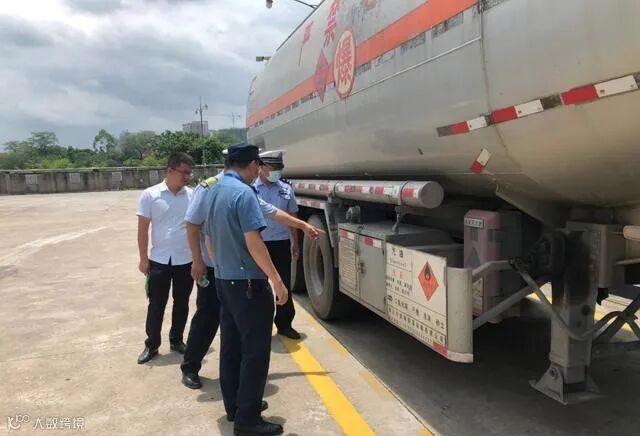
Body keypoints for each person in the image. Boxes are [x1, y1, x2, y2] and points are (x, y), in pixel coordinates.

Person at [180, 165, 321, 390]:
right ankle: (190, 366)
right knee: (207, 317)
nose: (257, 172)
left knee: (236, 330)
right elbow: (192, 224)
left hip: (237, 272)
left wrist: (301, 225)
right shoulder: (209, 188)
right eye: (254, 166)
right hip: (214, 268)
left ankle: (237, 384)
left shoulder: (244, 189)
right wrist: (197, 260)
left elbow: (270, 210)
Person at [206, 143, 287, 436]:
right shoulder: (244, 193)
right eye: (259, 166)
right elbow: (254, 243)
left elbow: (208, 239)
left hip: (224, 279)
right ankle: (248, 419)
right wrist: (276, 280)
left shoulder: (213, 190)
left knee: (231, 346)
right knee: (255, 351)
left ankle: (235, 406)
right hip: (248, 284)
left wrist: (221, 267)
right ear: (253, 165)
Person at [136, 152, 195, 364]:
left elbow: (198, 227)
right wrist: (143, 259)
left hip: (185, 260)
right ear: (169, 171)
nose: (187, 177)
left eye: (189, 173)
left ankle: (176, 340)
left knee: (182, 302)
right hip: (159, 260)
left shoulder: (192, 195)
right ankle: (152, 344)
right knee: (156, 304)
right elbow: (143, 230)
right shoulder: (150, 195)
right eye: (184, 172)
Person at [254, 151, 300, 339]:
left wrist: (295, 241)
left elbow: (292, 215)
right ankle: (260, 325)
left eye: (279, 169)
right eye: (273, 168)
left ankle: (284, 323)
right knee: (259, 286)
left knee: (283, 283)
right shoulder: (250, 188)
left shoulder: (286, 188)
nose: (277, 172)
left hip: (281, 242)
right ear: (262, 167)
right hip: (259, 244)